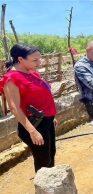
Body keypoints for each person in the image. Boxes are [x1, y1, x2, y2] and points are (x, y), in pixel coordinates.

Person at [3, 44, 57, 173]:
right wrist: (32, 131)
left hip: (46, 120)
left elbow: (41, 97)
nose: (40, 62)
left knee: (51, 154)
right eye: (35, 60)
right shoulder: (11, 78)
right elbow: (14, 108)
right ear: (20, 59)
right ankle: (45, 189)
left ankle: (53, 185)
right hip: (34, 125)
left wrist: (51, 117)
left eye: (40, 58)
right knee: (43, 161)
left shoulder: (32, 72)